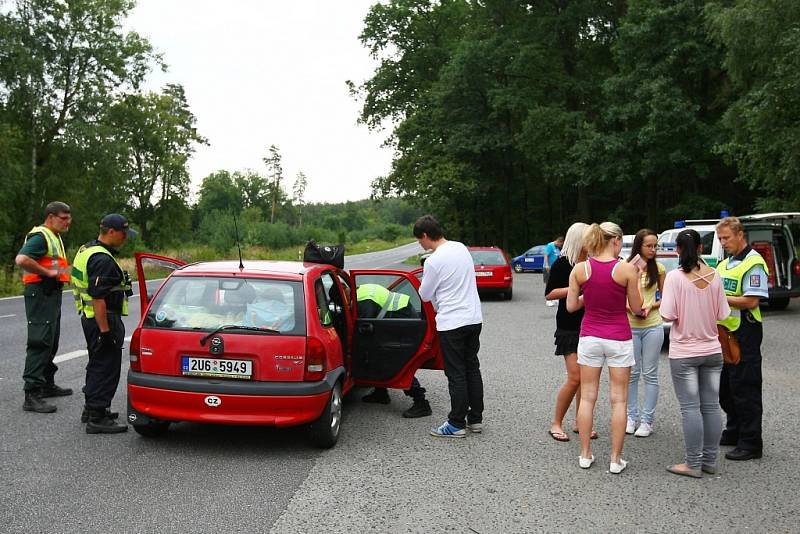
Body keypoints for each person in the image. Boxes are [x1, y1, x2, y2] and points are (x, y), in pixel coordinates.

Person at [567, 222, 643, 473]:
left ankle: (585, 454)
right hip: (619, 337)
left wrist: (586, 296)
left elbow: (571, 307)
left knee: (587, 396)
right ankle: (615, 459)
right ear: (617, 241)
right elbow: (637, 306)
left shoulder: (581, 269)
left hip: (590, 337)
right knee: (618, 400)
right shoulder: (626, 270)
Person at [660, 229, 730, 478]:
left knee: (690, 408)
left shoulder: (674, 278)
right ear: (701, 249)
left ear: (677, 250)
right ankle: (710, 461)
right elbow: (724, 315)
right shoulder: (715, 275)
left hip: (684, 353)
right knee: (711, 406)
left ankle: (693, 463)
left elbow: (667, 315)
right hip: (712, 350)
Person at [414, 215, 483, 438]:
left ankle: (456, 423)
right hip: (473, 318)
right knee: (472, 367)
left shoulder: (433, 261)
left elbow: (424, 294)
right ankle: (475, 419)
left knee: (456, 373)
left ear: (425, 235)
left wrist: (426, 274)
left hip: (452, 322)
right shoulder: (461, 248)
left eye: (419, 240)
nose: (420, 244)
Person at [71, 214, 136, 434]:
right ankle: (98, 417)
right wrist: (106, 331)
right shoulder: (102, 259)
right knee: (106, 367)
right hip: (103, 318)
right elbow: (98, 297)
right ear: (111, 232)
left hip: (90, 317)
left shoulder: (87, 249)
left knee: (97, 363)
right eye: (123, 233)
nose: (125, 237)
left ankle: (91, 409)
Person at [715, 216, 769, 461]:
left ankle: (750, 442)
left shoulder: (753, 262)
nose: (723, 242)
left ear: (740, 235)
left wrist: (717, 298)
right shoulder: (725, 263)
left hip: (745, 332)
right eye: (720, 239)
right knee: (726, 387)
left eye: (726, 238)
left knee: (745, 387)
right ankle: (734, 429)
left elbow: (751, 300)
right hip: (725, 332)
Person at [15, 201, 74, 413]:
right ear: (50, 217)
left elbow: (55, 263)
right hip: (40, 293)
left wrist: (64, 275)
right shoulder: (40, 236)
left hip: (51, 293)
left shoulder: (54, 236)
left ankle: (47, 383)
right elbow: (21, 259)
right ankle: (31, 394)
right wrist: (48, 273)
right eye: (63, 217)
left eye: (69, 217)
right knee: (40, 341)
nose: (68, 221)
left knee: (51, 340)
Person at [544, 222, 599, 442]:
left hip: (591, 325)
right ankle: (556, 423)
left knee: (587, 379)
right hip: (568, 327)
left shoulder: (593, 263)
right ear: (579, 239)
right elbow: (549, 294)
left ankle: (580, 421)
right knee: (575, 377)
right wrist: (577, 288)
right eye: (588, 238)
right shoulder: (562, 264)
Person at [356, 283, 432, 418]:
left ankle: (421, 402)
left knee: (395, 361)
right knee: (377, 352)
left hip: (404, 322)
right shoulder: (362, 289)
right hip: (402, 317)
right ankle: (381, 393)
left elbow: (365, 328)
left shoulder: (364, 301)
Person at [625, 229, 666, 438]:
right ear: (638, 246)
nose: (652, 249)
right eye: (648, 246)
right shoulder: (626, 266)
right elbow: (619, 295)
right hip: (630, 325)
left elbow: (665, 298)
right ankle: (630, 417)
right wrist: (630, 307)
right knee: (631, 374)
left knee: (650, 374)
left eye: (655, 246)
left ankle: (647, 420)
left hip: (652, 325)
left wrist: (651, 307)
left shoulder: (658, 268)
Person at [543, 236, 564, 307]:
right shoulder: (550, 245)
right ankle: (548, 300)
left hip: (555, 269)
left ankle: (554, 298)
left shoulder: (557, 248)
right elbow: (546, 255)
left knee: (555, 282)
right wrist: (547, 265)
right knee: (548, 283)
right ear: (558, 242)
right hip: (548, 268)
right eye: (561, 244)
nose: (561, 246)